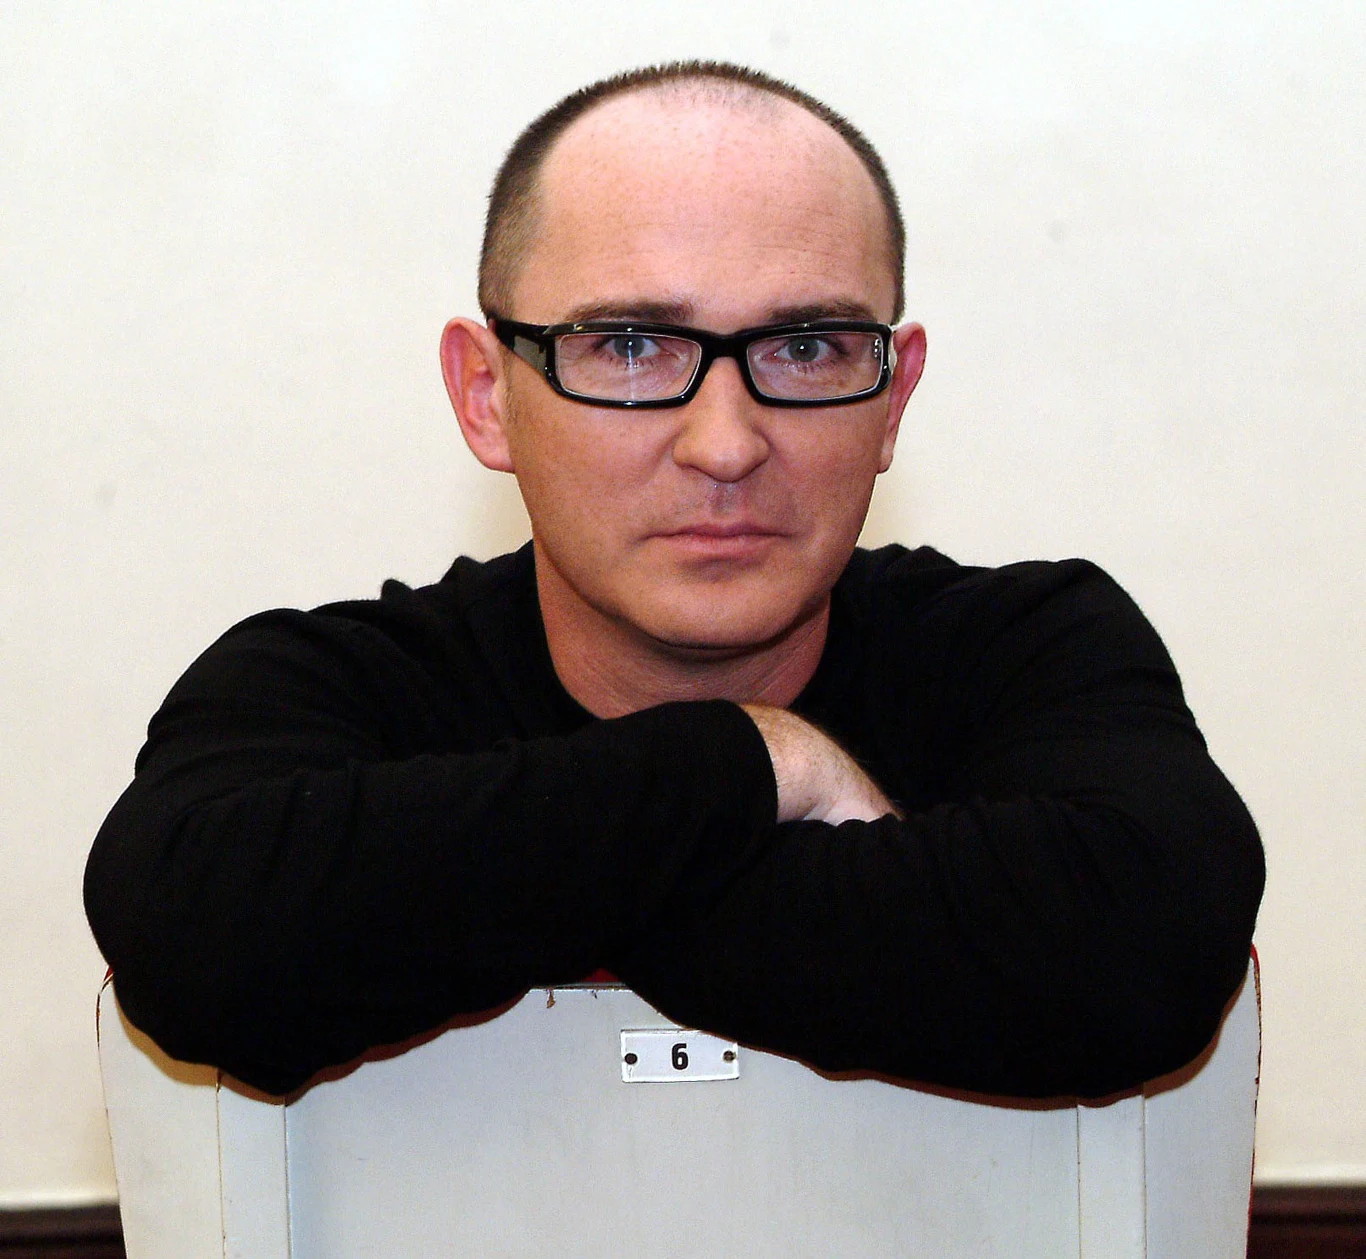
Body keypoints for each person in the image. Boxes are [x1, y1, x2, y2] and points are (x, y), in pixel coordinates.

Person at [84, 61, 1263, 1099]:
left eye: (807, 347)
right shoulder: (334, 685)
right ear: (487, 395)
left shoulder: (1025, 649)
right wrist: (761, 759)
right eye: (631, 345)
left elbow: (1140, 954)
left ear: (893, 397)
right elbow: (200, 941)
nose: (726, 444)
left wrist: (498, 896)